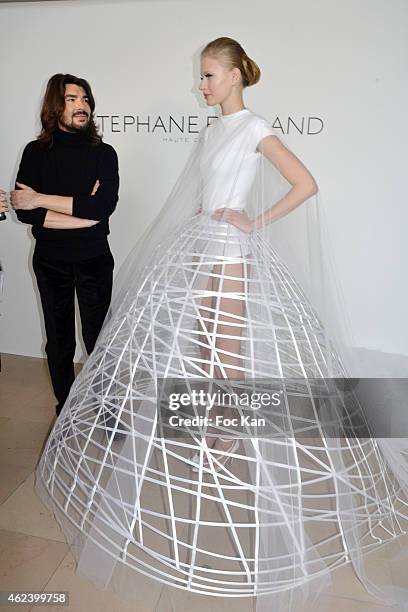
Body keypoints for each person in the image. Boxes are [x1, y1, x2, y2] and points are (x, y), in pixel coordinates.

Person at [35, 40, 408, 611]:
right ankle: (216, 423)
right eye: (201, 77)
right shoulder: (211, 131)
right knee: (205, 343)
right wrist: (203, 225)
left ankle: (227, 432)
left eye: (208, 76)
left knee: (227, 345)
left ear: (234, 76)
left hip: (232, 252)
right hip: (203, 245)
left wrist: (252, 222)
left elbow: (305, 183)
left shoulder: (255, 126)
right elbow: (208, 192)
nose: (201, 86)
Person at [11, 74, 119, 416]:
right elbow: (24, 212)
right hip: (50, 261)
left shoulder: (104, 153)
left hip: (94, 259)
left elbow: (101, 208)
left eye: (85, 99)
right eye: (72, 99)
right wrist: (81, 214)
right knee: (59, 342)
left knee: (99, 340)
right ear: (55, 106)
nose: (81, 105)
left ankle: (108, 410)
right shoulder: (35, 152)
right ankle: (67, 407)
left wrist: (41, 199)